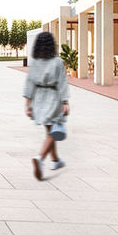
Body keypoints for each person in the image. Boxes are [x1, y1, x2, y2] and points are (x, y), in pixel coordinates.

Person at [24, 31, 69, 180]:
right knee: (53, 131)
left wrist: (27, 104)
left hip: (38, 98)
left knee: (51, 130)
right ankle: (40, 158)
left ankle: (55, 160)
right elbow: (62, 82)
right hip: (53, 97)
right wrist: (65, 102)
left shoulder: (35, 62)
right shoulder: (57, 62)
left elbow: (29, 82)